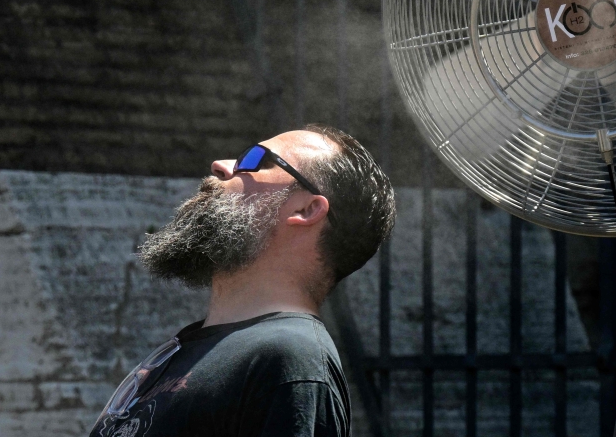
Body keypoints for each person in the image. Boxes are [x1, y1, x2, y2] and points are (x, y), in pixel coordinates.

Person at [88, 124, 396, 437]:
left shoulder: (291, 362)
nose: (220, 166)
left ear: (306, 209)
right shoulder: (196, 350)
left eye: (255, 159)